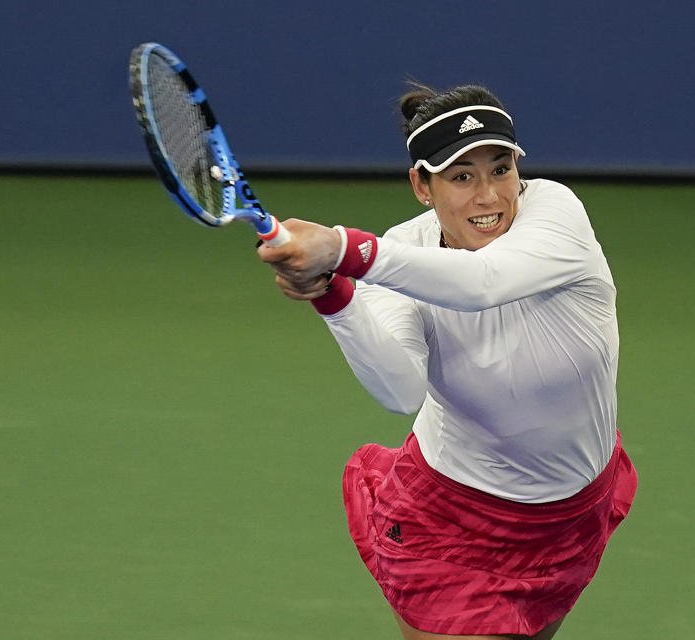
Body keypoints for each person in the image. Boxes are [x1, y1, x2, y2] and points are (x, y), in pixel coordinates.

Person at [257, 84, 637, 640]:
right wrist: (334, 295)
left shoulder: (555, 211)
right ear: (421, 186)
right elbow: (401, 389)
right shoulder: (399, 254)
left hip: (573, 512)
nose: (488, 195)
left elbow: (485, 283)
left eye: (500, 168)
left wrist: (344, 251)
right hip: (453, 521)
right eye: (461, 177)